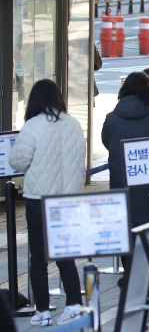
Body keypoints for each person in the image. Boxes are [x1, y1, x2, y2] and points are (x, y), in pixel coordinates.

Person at [9, 80, 86, 326]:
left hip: (38, 200)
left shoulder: (32, 126)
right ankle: (74, 304)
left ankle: (42, 312)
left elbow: (17, 161)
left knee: (39, 257)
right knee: (65, 255)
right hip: (67, 200)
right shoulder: (74, 124)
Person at [102, 72, 149, 274]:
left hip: (122, 186)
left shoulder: (112, 118)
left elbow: (108, 143)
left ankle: (132, 277)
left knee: (127, 233)